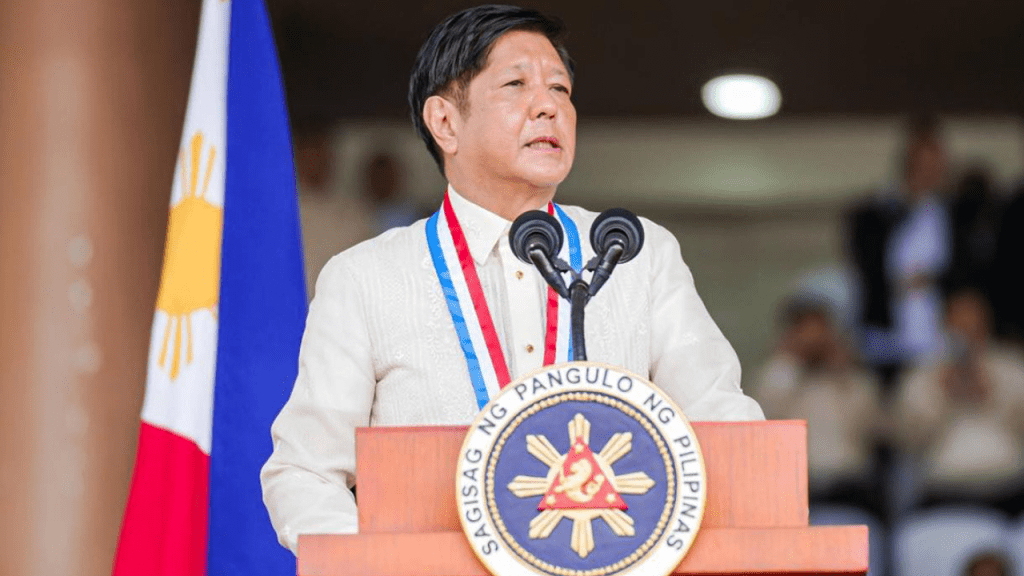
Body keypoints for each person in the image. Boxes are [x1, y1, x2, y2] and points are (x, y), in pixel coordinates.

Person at [261, 5, 764, 553]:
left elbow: (730, 436)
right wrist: (385, 564)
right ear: (445, 122)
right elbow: (305, 472)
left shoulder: (634, 255)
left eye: (561, 89)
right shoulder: (365, 279)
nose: (549, 106)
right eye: (516, 84)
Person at [895, 288, 1024, 515]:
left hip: (1010, 491)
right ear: (945, 324)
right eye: (960, 324)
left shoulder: (1013, 368)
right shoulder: (921, 376)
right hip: (945, 493)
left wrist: (991, 393)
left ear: (987, 323)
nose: (967, 332)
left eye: (974, 323)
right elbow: (909, 440)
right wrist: (943, 396)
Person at [846, 116, 952, 388]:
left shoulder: (947, 214)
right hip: (886, 334)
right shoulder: (874, 213)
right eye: (924, 165)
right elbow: (867, 272)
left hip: (936, 337)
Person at [755, 298, 886, 517]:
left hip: (849, 493)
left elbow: (872, 429)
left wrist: (843, 373)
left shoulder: (855, 380)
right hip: (790, 493)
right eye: (804, 331)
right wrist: (789, 362)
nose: (813, 340)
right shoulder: (776, 376)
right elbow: (764, 419)